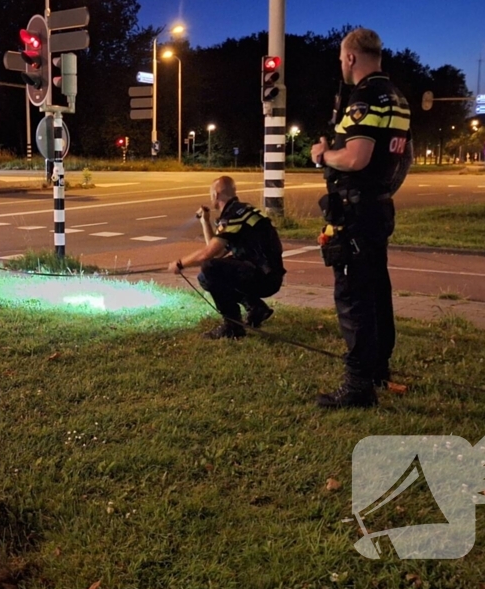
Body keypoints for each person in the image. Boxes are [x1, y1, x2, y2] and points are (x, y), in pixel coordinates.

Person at [310, 28, 412, 409]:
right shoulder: (397, 98)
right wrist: (381, 193)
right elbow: (405, 159)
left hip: (356, 210)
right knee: (375, 290)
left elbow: (355, 158)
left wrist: (323, 154)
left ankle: (357, 386)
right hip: (378, 206)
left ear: (351, 57)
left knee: (352, 295)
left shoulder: (365, 99)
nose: (340, 63)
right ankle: (378, 369)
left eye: (341, 57)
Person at [169, 176, 285, 339]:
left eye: (211, 194)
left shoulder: (233, 216)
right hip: (268, 274)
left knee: (210, 269)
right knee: (206, 275)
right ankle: (256, 308)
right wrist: (205, 222)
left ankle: (232, 326)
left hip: (263, 277)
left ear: (216, 195)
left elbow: (208, 255)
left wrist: (180, 264)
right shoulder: (241, 211)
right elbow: (217, 252)